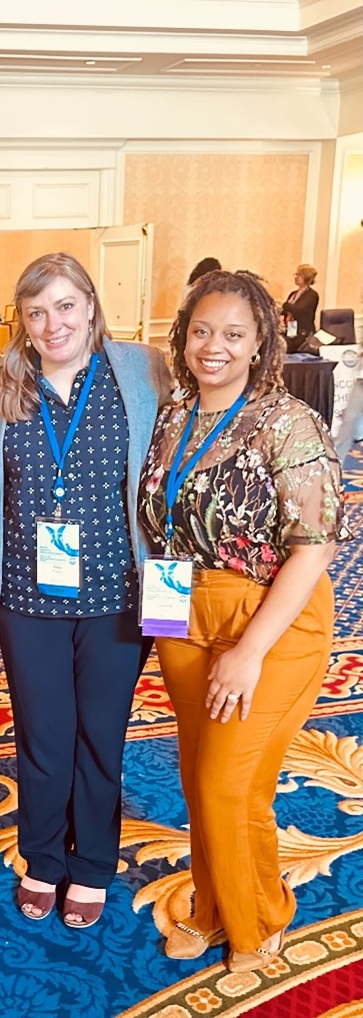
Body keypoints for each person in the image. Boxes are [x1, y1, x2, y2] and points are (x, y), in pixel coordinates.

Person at [138, 270, 349, 973]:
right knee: (202, 778)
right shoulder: (174, 415)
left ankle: (261, 917)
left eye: (233, 333)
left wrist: (250, 649)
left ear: (261, 340)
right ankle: (211, 906)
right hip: (183, 607)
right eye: (202, 330)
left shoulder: (289, 423)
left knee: (232, 783)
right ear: (183, 335)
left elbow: (314, 546)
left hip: (270, 618)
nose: (214, 346)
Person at [0, 252, 170, 928]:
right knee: (43, 733)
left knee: (100, 734)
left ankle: (91, 865)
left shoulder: (142, 371)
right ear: (21, 322)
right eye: (35, 311)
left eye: (64, 305)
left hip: (117, 591)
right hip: (27, 596)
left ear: (90, 303)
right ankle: (44, 857)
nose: (52, 322)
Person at [281, 264, 319, 351]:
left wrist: (284, 304)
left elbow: (298, 310)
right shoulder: (293, 294)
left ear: (306, 277)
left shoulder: (312, 295)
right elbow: (285, 311)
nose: (296, 277)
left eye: (299, 275)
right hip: (290, 331)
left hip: (303, 334)